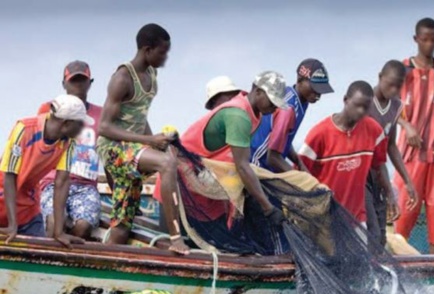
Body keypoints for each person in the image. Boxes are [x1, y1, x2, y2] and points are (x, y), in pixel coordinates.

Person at [96, 23, 189, 255]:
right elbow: (104, 128)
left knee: (121, 228)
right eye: (162, 52)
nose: (166, 58)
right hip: (113, 149)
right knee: (166, 163)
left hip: (133, 151)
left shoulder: (152, 74)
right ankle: (176, 237)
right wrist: (148, 141)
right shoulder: (122, 78)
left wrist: (153, 140)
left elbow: (139, 116)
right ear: (147, 50)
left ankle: (104, 267)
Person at [171, 71, 289, 226]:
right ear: (258, 92)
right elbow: (242, 166)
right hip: (181, 177)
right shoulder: (238, 116)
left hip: (207, 180)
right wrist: (268, 208)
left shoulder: (255, 114)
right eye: (272, 102)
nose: (275, 108)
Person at [394, 17, 434, 254]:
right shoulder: (403, 68)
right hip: (410, 149)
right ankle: (397, 254)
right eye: (424, 40)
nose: (429, 44)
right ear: (416, 39)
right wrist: (407, 126)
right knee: (407, 201)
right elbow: (385, 104)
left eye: (433, 40)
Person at [0, 95, 90, 247]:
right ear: (67, 123)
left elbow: (61, 182)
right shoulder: (24, 129)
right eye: (80, 123)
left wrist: (59, 232)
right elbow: (9, 175)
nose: (83, 128)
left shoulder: (69, 142)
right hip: (4, 196)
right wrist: (12, 225)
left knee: (39, 250)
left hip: (27, 205)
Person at [298, 81, 387, 227]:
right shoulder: (320, 134)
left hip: (357, 221)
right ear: (346, 100)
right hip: (324, 220)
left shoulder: (374, 131)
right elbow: (299, 171)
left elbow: (379, 165)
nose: (361, 111)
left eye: (366, 108)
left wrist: (389, 194)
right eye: (357, 105)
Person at [38, 61, 103, 240]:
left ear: (90, 83)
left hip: (86, 186)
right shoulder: (49, 109)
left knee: (83, 228)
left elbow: (109, 153)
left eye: (83, 81)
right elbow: (37, 148)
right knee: (53, 223)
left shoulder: (102, 115)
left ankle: (70, 261)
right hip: (53, 182)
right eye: (74, 81)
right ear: (64, 84)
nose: (78, 86)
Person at [251, 58, 334, 172]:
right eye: (315, 88)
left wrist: (298, 162)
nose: (318, 95)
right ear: (300, 80)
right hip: (257, 166)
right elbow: (272, 157)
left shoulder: (301, 100)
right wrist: (297, 176)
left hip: (268, 166)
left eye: (321, 90)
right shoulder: (288, 108)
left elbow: (283, 137)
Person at [367, 60, 417, 247]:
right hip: (361, 174)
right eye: (390, 84)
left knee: (380, 235)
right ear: (380, 77)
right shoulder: (364, 102)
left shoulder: (396, 106)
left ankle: (377, 273)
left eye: (399, 86)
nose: (394, 90)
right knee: (370, 229)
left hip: (379, 173)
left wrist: (408, 180)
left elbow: (391, 146)